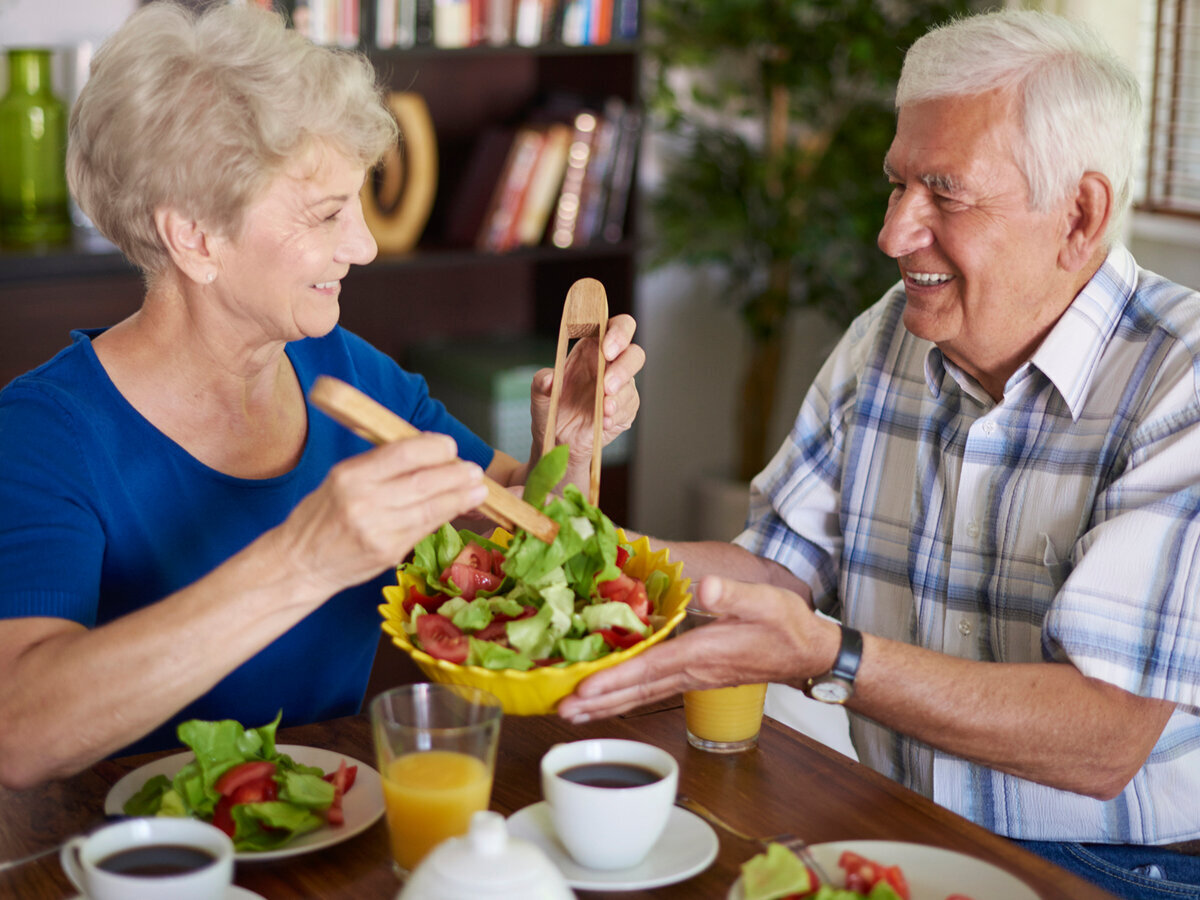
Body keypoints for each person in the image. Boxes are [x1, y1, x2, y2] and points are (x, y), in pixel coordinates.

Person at [559, 9, 1200, 899]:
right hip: (902, 822)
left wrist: (830, 655)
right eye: (899, 184)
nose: (894, 233)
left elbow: (1103, 740)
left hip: (1122, 867)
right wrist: (563, 547)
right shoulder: (888, 338)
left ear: (1079, 214)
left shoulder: (1183, 383)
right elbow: (774, 575)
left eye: (945, 191)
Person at [0, 1, 643, 790]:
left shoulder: (347, 372)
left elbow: (524, 547)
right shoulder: (45, 434)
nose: (364, 246)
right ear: (195, 237)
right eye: (329, 213)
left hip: (333, 828)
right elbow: (18, 733)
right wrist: (305, 561)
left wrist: (566, 451)